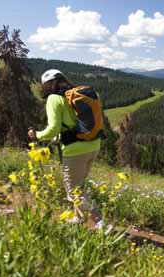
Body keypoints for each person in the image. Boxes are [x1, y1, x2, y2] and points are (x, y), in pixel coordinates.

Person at [28, 69, 111, 233]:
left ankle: (101, 223)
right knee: (79, 185)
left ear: (49, 84)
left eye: (44, 86)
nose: (43, 89)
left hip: (75, 151)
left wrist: (36, 135)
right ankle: (78, 217)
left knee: (73, 189)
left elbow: (52, 128)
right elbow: (71, 125)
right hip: (93, 145)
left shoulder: (53, 98)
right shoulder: (74, 96)